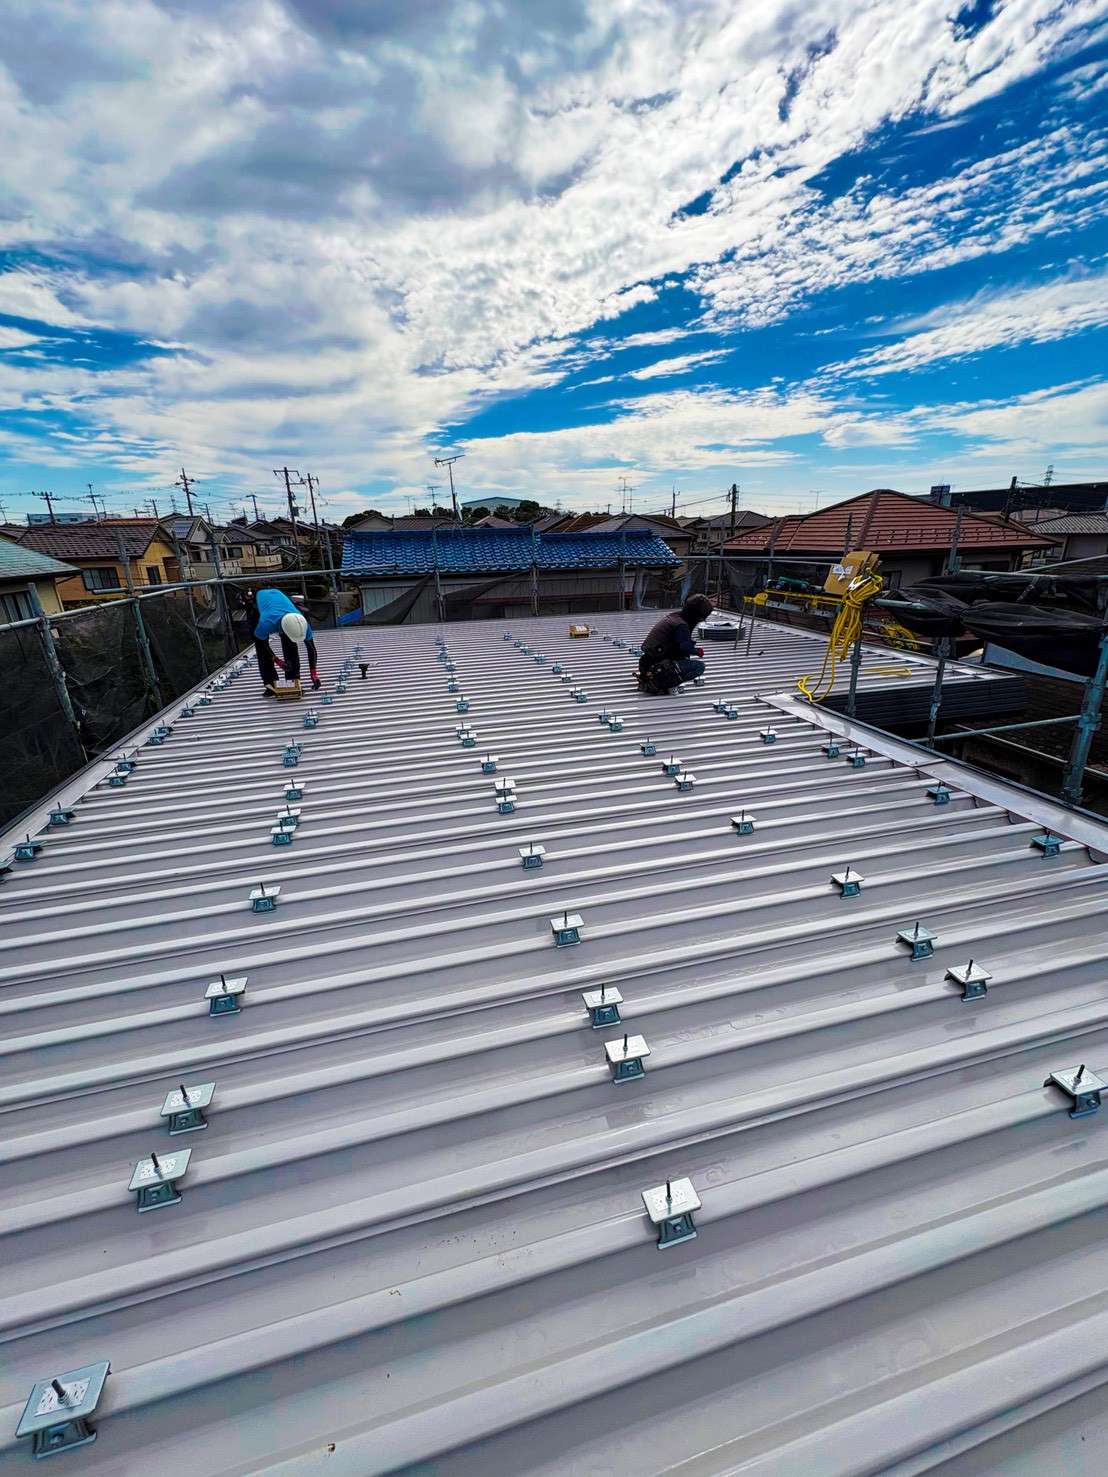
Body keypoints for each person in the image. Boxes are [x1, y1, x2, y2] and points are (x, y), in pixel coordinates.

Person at [637, 594, 714, 694]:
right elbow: (684, 648)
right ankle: (660, 682)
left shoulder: (674, 617)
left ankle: (654, 677)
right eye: (701, 619)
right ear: (696, 616)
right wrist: (697, 651)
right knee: (699, 666)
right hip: (656, 668)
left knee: (684, 659)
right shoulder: (681, 626)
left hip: (646, 664)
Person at [250, 587, 321, 692]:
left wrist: (314, 674)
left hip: (279, 598)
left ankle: (293, 681)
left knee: (291, 646)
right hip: (259, 601)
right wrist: (278, 661)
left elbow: (311, 650)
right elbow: (263, 644)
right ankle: (270, 683)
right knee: (262, 651)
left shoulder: (302, 624)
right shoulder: (266, 622)